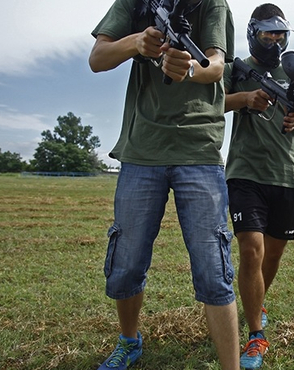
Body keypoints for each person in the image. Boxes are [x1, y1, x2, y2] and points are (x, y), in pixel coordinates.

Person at [88, 0, 239, 369]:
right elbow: (97, 58)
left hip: (198, 148)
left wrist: (190, 67)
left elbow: (216, 66)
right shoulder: (133, 3)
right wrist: (136, 42)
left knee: (213, 269)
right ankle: (129, 341)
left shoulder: (212, 4)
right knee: (127, 261)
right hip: (142, 149)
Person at [223, 3, 294, 369]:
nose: (274, 40)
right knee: (251, 250)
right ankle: (256, 334)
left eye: (280, 34)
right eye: (268, 34)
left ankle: (254, 304)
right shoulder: (235, 69)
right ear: (254, 34)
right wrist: (245, 99)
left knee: (273, 255)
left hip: (285, 174)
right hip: (245, 172)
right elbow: (211, 105)